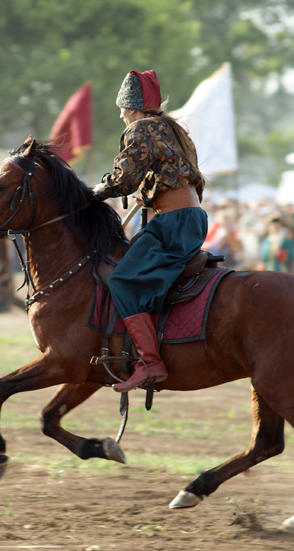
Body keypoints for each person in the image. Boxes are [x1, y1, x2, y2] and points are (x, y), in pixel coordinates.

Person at [92, 69, 206, 393]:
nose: (121, 115)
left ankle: (150, 362)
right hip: (191, 217)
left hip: (171, 222)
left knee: (122, 281)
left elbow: (123, 179)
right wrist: (152, 194)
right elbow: (187, 177)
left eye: (123, 108)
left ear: (135, 108)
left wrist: (96, 191)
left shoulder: (140, 129)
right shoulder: (174, 130)